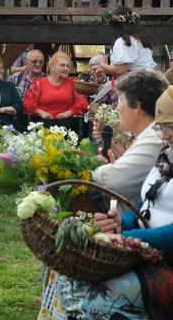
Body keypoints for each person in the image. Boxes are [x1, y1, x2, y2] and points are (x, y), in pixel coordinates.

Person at [39, 80, 173, 320]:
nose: (164, 134)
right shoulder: (167, 153)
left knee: (95, 297)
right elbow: (148, 204)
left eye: (171, 126)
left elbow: (112, 181)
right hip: (144, 249)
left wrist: (127, 239)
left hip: (164, 260)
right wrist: (122, 223)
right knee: (70, 274)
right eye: (162, 126)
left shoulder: (159, 145)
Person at [91, 70, 168, 206]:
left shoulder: (155, 138)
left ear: (137, 106)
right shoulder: (150, 134)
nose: (118, 107)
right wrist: (114, 166)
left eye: (122, 100)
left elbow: (111, 181)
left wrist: (90, 166)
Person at [24, 51, 88, 131]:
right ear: (52, 67)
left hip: (66, 122)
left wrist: (69, 112)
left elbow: (83, 104)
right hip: (43, 121)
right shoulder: (39, 83)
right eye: (62, 65)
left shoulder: (73, 83)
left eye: (68, 66)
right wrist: (41, 113)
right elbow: (28, 104)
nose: (66, 68)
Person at [96, 7, 156, 76]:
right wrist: (104, 69)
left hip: (134, 83)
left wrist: (102, 63)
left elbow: (120, 70)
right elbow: (135, 66)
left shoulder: (124, 41)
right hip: (146, 79)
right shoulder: (141, 39)